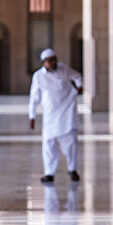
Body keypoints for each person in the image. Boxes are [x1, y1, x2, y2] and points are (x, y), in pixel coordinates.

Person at [28, 48, 84, 183]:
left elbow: (77, 76)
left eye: (55, 59)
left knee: (70, 142)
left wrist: (79, 86)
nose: (53, 63)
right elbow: (34, 97)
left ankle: (72, 170)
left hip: (66, 110)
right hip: (50, 114)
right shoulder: (38, 76)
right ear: (44, 63)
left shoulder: (63, 69)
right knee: (48, 144)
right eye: (50, 61)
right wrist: (32, 115)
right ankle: (49, 173)